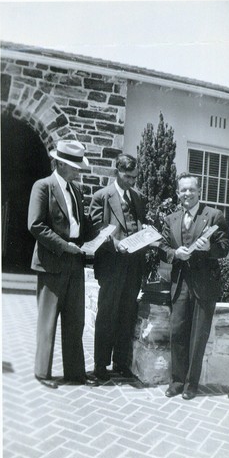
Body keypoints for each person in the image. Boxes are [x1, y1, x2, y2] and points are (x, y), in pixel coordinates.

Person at [28, 139, 98, 389]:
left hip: (75, 262)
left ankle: (75, 373)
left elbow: (82, 227)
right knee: (48, 320)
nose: (78, 170)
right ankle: (42, 373)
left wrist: (101, 230)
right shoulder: (43, 187)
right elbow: (36, 225)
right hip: (51, 262)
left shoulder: (76, 191)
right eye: (74, 166)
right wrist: (63, 245)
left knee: (74, 320)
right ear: (59, 163)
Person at [159, 173, 229, 400]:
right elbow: (163, 247)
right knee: (177, 333)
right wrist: (174, 253)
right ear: (177, 193)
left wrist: (209, 247)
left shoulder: (214, 215)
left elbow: (225, 248)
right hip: (180, 284)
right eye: (182, 190)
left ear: (199, 191)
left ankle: (191, 384)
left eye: (191, 189)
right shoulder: (171, 219)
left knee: (198, 336)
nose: (186, 194)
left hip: (204, 285)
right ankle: (177, 381)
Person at [89, 154, 146, 381]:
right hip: (112, 265)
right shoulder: (102, 196)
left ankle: (120, 363)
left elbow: (140, 224)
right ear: (117, 172)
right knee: (107, 314)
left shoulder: (139, 198)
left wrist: (146, 237)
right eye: (128, 176)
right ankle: (100, 364)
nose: (132, 181)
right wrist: (116, 244)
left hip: (133, 266)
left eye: (135, 177)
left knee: (127, 314)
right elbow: (95, 228)